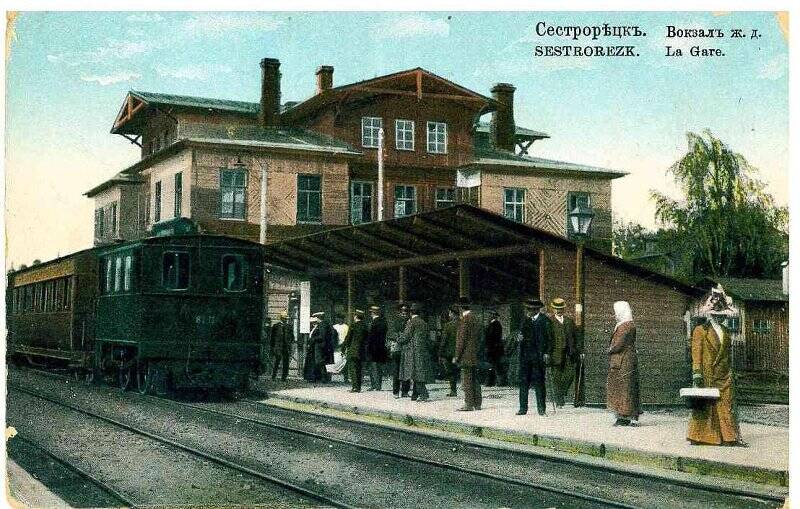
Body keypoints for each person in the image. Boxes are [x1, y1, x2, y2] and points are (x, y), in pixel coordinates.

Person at [687, 285, 745, 446]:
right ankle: (701, 437)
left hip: (724, 374)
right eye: (716, 314)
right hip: (707, 373)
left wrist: (731, 371)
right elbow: (696, 353)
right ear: (710, 314)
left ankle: (729, 437)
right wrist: (697, 373)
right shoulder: (700, 330)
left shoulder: (726, 331)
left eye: (722, 315)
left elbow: (727, 355)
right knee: (707, 406)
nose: (719, 317)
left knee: (726, 405)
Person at [607, 301, 642, 426]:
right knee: (622, 388)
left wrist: (610, 349)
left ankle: (627, 416)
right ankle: (622, 415)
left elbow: (619, 344)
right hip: (621, 360)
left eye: (617, 312)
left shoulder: (627, 326)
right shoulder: (623, 324)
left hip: (625, 360)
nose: (615, 314)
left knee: (626, 388)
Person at [516, 298, 552, 416]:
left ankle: (541, 409)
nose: (527, 311)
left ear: (536, 310)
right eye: (527, 309)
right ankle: (523, 408)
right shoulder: (525, 320)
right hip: (525, 357)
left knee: (539, 382)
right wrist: (519, 339)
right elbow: (520, 334)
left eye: (529, 309)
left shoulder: (545, 321)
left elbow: (550, 339)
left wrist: (547, 352)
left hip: (538, 357)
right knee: (523, 382)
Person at [398, 302, 434, 402]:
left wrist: (398, 339)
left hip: (412, 351)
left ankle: (423, 395)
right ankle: (417, 395)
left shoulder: (411, 322)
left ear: (410, 313)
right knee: (419, 373)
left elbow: (406, 337)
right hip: (422, 351)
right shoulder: (424, 323)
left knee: (414, 374)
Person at [548, 298, 579, 407]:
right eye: (556, 309)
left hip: (569, 353)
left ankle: (561, 392)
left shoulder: (569, 321)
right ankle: (559, 400)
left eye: (560, 308)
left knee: (570, 375)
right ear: (553, 309)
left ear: (563, 309)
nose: (558, 311)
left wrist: (579, 350)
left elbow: (576, 337)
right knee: (557, 377)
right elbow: (547, 338)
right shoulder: (550, 322)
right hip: (555, 354)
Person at [454, 297, 482, 411]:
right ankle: (477, 404)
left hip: (466, 355)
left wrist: (457, 356)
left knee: (466, 381)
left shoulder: (464, 320)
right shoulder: (476, 318)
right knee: (475, 380)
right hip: (475, 355)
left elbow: (461, 341)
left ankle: (468, 404)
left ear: (460, 308)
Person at [365, 305, 389, 391]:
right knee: (379, 368)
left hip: (372, 348)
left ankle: (374, 385)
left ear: (373, 313)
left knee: (373, 367)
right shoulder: (383, 322)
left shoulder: (373, 323)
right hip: (381, 348)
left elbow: (370, 336)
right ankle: (378, 385)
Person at [342, 309, 367, 392]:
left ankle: (355, 387)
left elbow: (348, 338)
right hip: (362, 351)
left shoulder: (353, 326)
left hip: (353, 350)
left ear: (355, 316)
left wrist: (343, 347)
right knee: (359, 369)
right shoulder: (365, 326)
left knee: (352, 369)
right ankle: (358, 387)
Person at [391, 304, 411, 398]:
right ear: (400, 312)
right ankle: (396, 391)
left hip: (406, 348)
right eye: (403, 311)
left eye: (406, 311)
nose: (404, 313)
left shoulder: (410, 322)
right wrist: (400, 337)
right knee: (397, 371)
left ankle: (405, 391)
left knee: (406, 370)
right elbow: (392, 334)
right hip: (398, 348)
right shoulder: (396, 322)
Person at [438, 306, 459, 397]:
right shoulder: (462, 324)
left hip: (449, 353)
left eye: (450, 313)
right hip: (461, 352)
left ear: (452, 313)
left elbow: (443, 341)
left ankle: (453, 391)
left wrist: (440, 353)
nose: (449, 315)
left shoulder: (448, 326)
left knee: (450, 372)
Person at [270, 311, 294, 382]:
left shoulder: (289, 326)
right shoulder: (276, 326)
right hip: (278, 347)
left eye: (286, 318)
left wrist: (289, 343)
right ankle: (273, 376)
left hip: (286, 347)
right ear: (281, 318)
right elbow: (272, 338)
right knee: (277, 362)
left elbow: (292, 337)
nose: (286, 320)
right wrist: (272, 347)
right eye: (284, 318)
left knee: (286, 362)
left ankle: (284, 377)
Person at [484, 309, 506, 387]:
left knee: (496, 365)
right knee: (492, 365)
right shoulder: (491, 324)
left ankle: (499, 382)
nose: (488, 316)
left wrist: (489, 347)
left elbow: (492, 337)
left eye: (490, 315)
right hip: (492, 348)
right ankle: (491, 381)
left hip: (494, 349)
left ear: (493, 316)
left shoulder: (495, 324)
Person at [303, 315, 323, 381]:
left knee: (313, 363)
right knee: (310, 362)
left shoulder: (318, 329)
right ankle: (310, 376)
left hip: (314, 347)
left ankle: (313, 377)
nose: (313, 324)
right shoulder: (313, 329)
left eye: (314, 323)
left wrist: (312, 341)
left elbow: (318, 338)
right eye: (312, 323)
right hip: (311, 348)